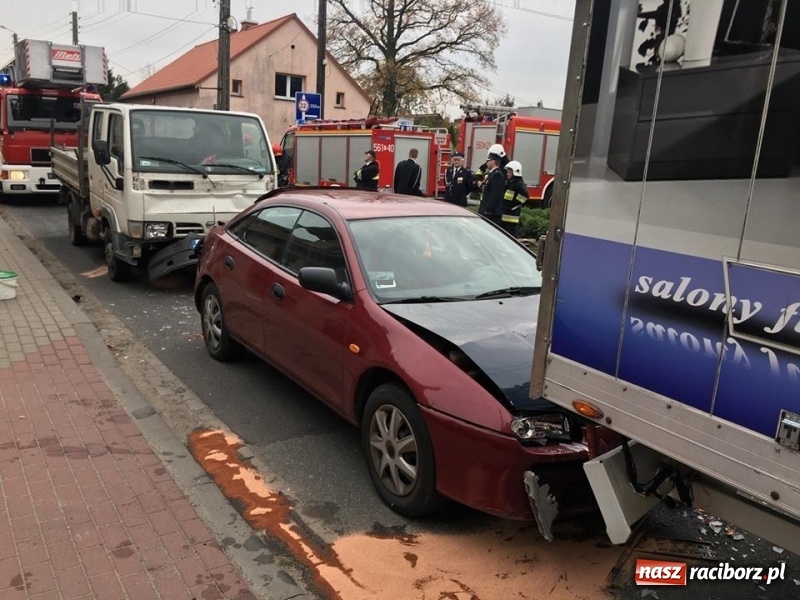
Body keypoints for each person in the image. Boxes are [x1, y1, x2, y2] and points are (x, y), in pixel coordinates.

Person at [477, 150, 506, 226]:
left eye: (488, 161)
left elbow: (494, 194)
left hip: (491, 213)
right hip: (487, 211)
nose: (487, 163)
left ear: (493, 161)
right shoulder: (492, 174)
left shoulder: (497, 175)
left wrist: (488, 209)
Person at [501, 160, 529, 237]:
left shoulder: (518, 184)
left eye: (510, 172)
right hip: (504, 216)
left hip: (511, 218)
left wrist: (514, 205)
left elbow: (525, 196)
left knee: (510, 238)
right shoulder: (509, 182)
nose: (507, 174)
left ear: (515, 172)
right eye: (507, 172)